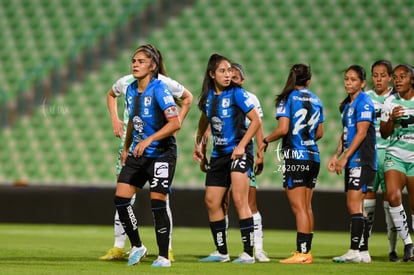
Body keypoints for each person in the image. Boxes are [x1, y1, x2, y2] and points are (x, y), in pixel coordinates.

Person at [101, 44, 193, 262]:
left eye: (140, 61)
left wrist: (150, 139)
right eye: (133, 60)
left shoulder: (160, 88)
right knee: (121, 198)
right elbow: (134, 120)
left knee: (158, 203)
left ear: (152, 66)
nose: (135, 64)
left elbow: (175, 122)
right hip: (137, 153)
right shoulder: (131, 89)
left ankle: (163, 256)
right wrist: (126, 148)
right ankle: (138, 246)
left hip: (161, 153)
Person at [193, 53, 261, 264]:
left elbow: (256, 121)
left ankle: (248, 253)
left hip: (239, 153)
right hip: (219, 155)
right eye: (223, 71)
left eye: (230, 70)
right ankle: (221, 252)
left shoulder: (237, 94)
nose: (228, 74)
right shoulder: (207, 99)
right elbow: (204, 122)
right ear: (212, 74)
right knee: (212, 201)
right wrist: (200, 147)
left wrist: (242, 146)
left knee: (240, 200)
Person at [258, 64, 324, 264]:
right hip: (314, 155)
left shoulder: (288, 98)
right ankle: (306, 250)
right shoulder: (317, 99)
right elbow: (320, 133)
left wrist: (265, 140)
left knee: (299, 208)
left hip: (296, 156)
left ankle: (302, 253)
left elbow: (283, 128)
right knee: (307, 206)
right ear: (309, 81)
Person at [328, 65, 377, 263]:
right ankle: (363, 252)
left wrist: (345, 157)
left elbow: (362, 133)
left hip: (362, 159)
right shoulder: (347, 105)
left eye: (353, 79)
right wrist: (336, 154)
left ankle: (354, 251)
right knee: (358, 206)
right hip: (353, 159)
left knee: (353, 204)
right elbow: (347, 133)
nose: (348, 82)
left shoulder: (364, 102)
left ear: (363, 83)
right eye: (347, 79)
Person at [364, 60, 399, 262]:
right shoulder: (365, 98)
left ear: (390, 77)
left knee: (390, 204)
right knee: (367, 202)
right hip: (371, 155)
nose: (378, 79)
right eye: (375, 75)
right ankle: (363, 247)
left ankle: (392, 249)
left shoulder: (396, 98)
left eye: (382, 75)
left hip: (391, 155)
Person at [380, 63, 414, 262]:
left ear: (412, 79)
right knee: (393, 197)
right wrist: (392, 118)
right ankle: (407, 243)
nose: (397, 80)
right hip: (395, 155)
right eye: (395, 77)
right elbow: (384, 133)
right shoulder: (390, 101)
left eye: (403, 76)